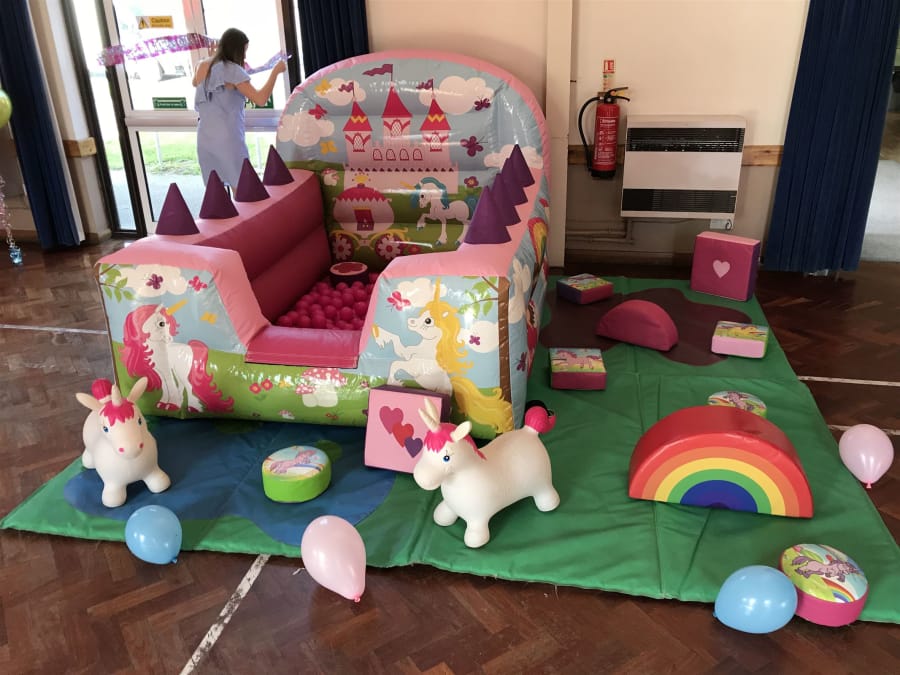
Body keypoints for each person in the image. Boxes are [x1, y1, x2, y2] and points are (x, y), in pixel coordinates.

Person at [193, 28, 287, 188]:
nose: (245, 56)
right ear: (236, 49)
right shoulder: (232, 70)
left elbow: (195, 82)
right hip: (228, 139)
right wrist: (275, 72)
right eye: (244, 51)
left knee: (214, 190)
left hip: (205, 138)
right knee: (241, 187)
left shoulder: (202, 65)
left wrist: (211, 57)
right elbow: (260, 99)